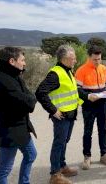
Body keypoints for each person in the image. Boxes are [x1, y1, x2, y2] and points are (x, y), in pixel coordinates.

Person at [36, 45, 80, 184]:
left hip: (70, 114)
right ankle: (55, 175)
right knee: (59, 143)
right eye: (73, 58)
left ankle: (62, 166)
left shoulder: (68, 71)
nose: (75, 60)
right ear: (65, 59)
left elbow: (73, 92)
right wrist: (53, 110)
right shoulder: (55, 73)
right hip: (61, 116)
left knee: (63, 142)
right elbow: (40, 92)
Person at [0, 47, 37, 184]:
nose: (25, 63)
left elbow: (29, 97)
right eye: (22, 60)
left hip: (21, 128)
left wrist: (30, 99)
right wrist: (30, 99)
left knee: (31, 154)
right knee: (4, 169)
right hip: (9, 131)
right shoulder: (2, 79)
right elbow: (29, 103)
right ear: (12, 61)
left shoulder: (14, 75)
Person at [75, 45, 106, 170]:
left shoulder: (104, 69)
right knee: (88, 131)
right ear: (89, 57)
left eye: (99, 59)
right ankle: (87, 157)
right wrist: (88, 96)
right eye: (95, 59)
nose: (97, 62)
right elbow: (77, 90)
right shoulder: (81, 70)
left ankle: (104, 155)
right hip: (89, 105)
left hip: (103, 104)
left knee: (103, 130)